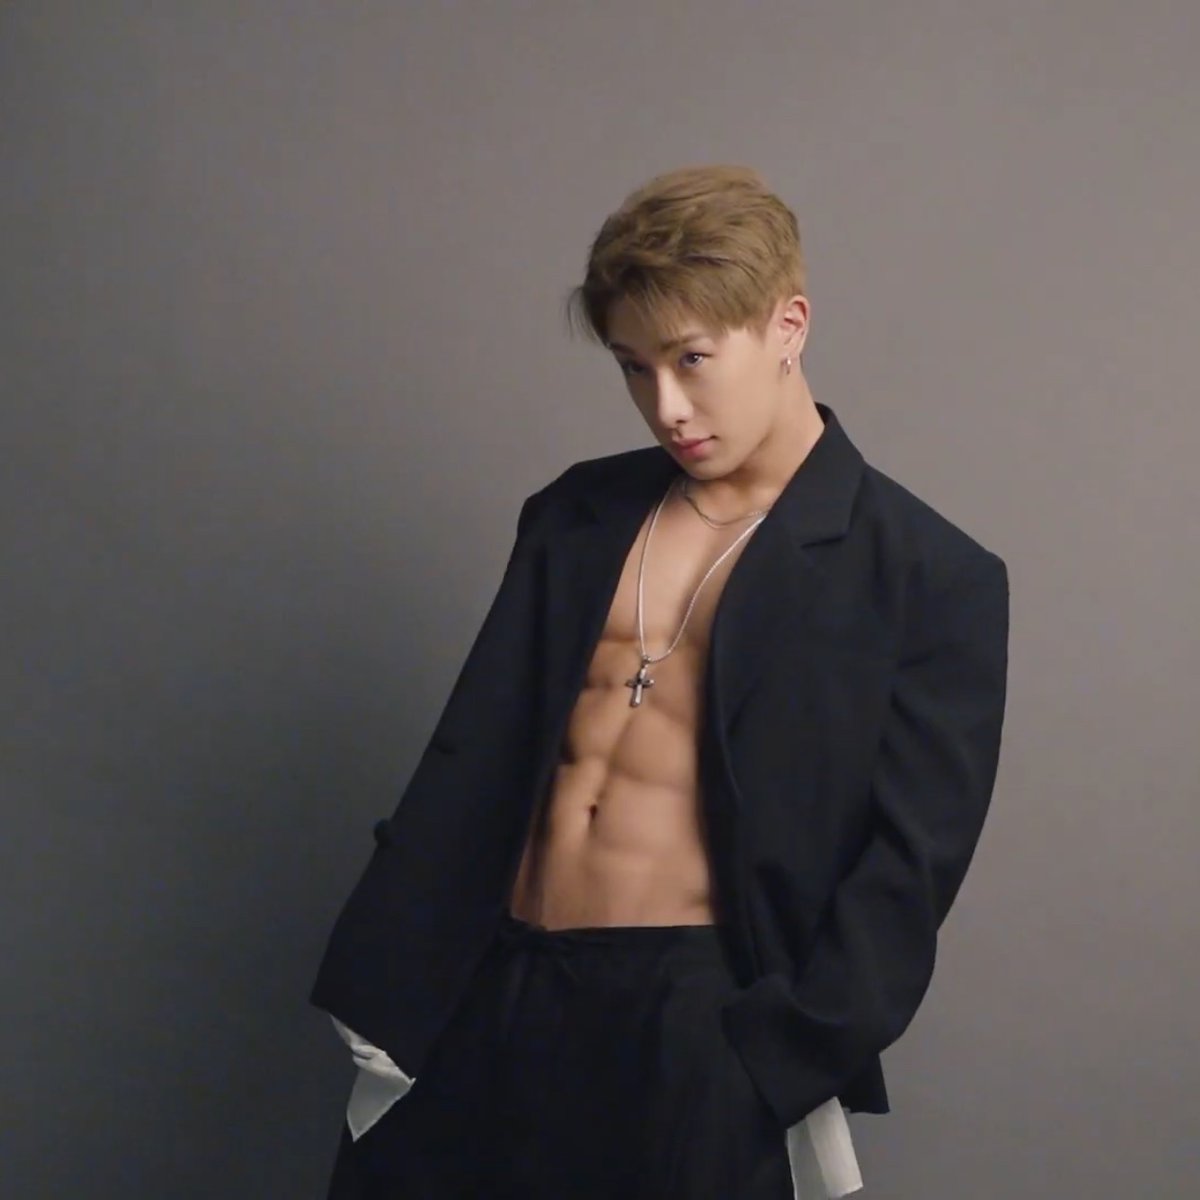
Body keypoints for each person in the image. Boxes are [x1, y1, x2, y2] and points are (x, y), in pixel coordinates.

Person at [308, 164, 1010, 1199]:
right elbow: (474, 754)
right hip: (484, 988)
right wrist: (388, 974)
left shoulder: (925, 574)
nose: (666, 408)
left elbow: (906, 872)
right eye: (634, 369)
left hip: (695, 1025)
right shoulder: (575, 516)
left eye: (692, 359)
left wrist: (778, 1058)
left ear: (788, 326)